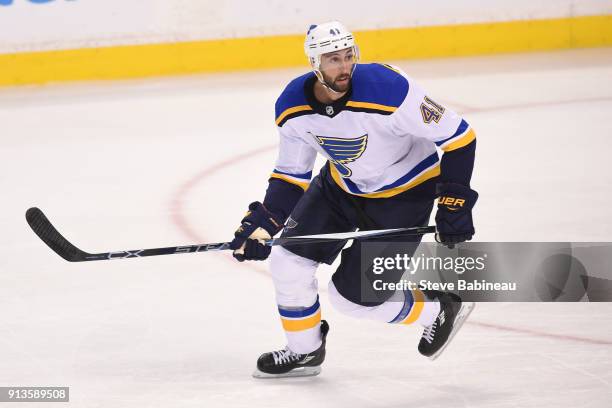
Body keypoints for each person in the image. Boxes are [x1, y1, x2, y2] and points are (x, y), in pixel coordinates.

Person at [230, 21, 478, 378]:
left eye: (349, 56)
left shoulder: (390, 89)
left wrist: (455, 201)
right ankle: (305, 351)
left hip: (405, 196)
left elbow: (459, 138)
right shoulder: (292, 106)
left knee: (354, 300)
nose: (344, 66)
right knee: (287, 261)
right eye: (333, 59)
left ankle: (437, 308)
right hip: (341, 188)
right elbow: (290, 174)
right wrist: (266, 221)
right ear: (315, 64)